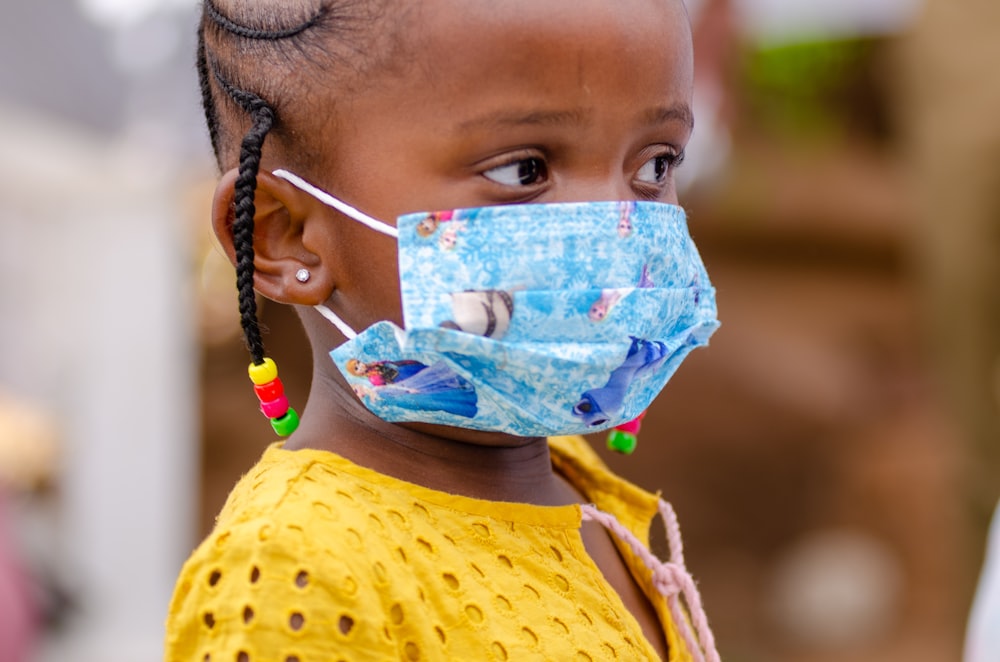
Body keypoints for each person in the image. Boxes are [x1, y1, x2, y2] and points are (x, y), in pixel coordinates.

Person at [165, 0, 721, 660]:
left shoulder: (573, 477)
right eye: (524, 170)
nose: (614, 225)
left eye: (655, 164)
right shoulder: (297, 575)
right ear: (284, 237)